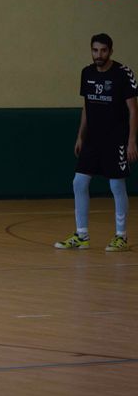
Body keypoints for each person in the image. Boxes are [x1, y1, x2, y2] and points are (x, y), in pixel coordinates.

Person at [55, 33, 137, 251]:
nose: (98, 55)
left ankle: (121, 237)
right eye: (95, 50)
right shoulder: (87, 73)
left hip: (116, 139)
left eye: (103, 50)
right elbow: (87, 106)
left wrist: (131, 141)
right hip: (92, 140)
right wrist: (80, 136)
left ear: (110, 51)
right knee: (79, 183)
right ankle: (82, 235)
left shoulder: (123, 73)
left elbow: (133, 109)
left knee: (116, 185)